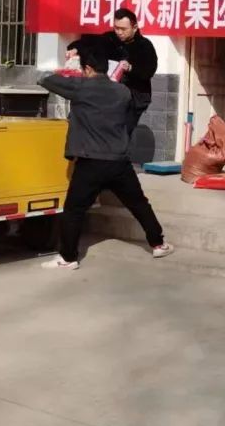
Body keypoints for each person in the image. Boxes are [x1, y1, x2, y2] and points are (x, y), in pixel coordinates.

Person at [38, 44, 173, 270]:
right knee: (139, 204)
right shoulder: (122, 91)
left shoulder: (81, 87)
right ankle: (158, 244)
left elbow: (45, 79)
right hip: (119, 162)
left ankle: (68, 258)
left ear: (88, 69)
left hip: (90, 161)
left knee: (73, 210)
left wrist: (69, 69)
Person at [68, 8, 158, 133]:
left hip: (133, 98)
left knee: (123, 132)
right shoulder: (110, 39)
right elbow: (88, 43)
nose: (119, 32)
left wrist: (131, 68)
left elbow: (149, 70)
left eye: (123, 29)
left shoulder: (144, 46)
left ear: (135, 27)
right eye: (116, 28)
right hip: (109, 95)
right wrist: (75, 49)